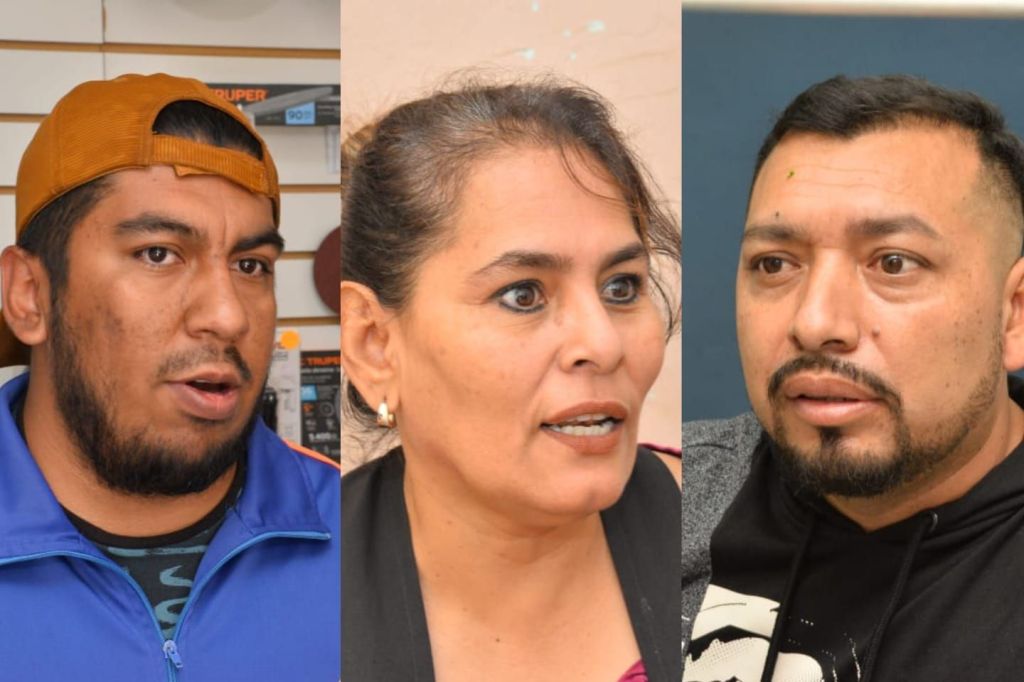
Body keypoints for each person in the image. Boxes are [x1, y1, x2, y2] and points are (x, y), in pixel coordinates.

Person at [683, 74, 1024, 680]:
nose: (816, 323)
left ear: (1015, 314)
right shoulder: (656, 506)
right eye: (775, 264)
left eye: (893, 263)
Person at [0, 73, 340, 680]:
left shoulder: (363, 530)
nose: (228, 316)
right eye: (158, 253)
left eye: (251, 265)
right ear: (30, 294)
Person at [340, 80, 682, 682]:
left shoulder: (737, 536)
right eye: (523, 295)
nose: (602, 344)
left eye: (621, 286)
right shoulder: (293, 607)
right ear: (374, 345)